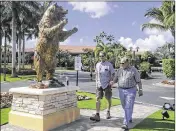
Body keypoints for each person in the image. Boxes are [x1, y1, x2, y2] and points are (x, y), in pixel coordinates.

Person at [110, 57, 143, 130]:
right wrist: (112, 82)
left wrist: (140, 89)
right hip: (121, 90)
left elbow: (138, 81)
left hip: (131, 90)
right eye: (121, 63)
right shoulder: (119, 70)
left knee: (128, 106)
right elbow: (115, 79)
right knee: (124, 106)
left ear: (128, 63)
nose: (121, 64)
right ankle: (129, 117)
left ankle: (125, 123)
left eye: (123, 63)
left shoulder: (133, 70)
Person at [90, 51, 115, 122]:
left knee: (108, 99)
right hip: (99, 84)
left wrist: (111, 81)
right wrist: (96, 84)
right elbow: (96, 74)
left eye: (103, 56)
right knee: (97, 99)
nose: (101, 57)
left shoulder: (109, 64)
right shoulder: (97, 64)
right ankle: (97, 114)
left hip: (107, 84)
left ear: (105, 56)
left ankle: (108, 111)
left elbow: (113, 73)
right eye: (100, 56)